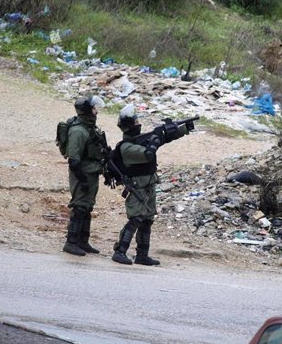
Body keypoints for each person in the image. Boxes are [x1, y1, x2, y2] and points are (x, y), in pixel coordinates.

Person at [111, 104, 191, 266]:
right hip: (137, 187)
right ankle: (120, 251)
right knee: (136, 219)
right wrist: (155, 137)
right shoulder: (126, 147)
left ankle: (142, 255)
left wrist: (182, 129)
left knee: (147, 220)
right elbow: (148, 153)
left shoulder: (137, 141)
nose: (138, 125)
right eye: (135, 122)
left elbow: (162, 139)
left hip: (148, 184)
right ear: (128, 127)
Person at [63, 95, 110, 256]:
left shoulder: (90, 129)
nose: (96, 112)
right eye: (93, 108)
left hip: (91, 173)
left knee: (87, 207)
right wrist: (82, 180)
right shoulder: (78, 131)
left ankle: (83, 241)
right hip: (82, 174)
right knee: (79, 207)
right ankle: (71, 242)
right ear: (87, 111)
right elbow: (73, 161)